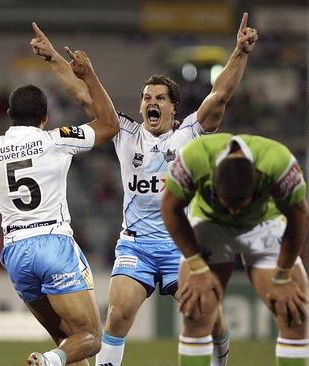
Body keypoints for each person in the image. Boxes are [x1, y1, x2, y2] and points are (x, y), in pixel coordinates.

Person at [30, 13, 257, 366]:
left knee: (204, 315)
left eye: (161, 98)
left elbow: (221, 94)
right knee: (118, 315)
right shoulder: (125, 132)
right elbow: (84, 94)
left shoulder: (189, 133)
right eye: (147, 97)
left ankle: (220, 348)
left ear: (173, 107)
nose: (153, 102)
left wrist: (240, 52)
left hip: (180, 243)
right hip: (136, 243)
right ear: (141, 106)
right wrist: (53, 58)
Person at [0, 46, 119, 366]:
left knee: (68, 342)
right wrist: (88, 75)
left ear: (8, 115)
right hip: (53, 245)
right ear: (45, 116)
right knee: (90, 337)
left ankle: (51, 358)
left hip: (16, 254)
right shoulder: (56, 139)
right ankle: (46, 362)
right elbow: (109, 124)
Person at [161, 133, 308, 366]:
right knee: (196, 313)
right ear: (211, 182)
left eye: (240, 207)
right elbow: (170, 209)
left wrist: (284, 275)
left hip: (264, 227)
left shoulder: (279, 164)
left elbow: (299, 216)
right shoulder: (194, 159)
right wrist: (197, 267)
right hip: (210, 225)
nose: (234, 214)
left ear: (259, 181)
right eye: (228, 207)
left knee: (295, 316)